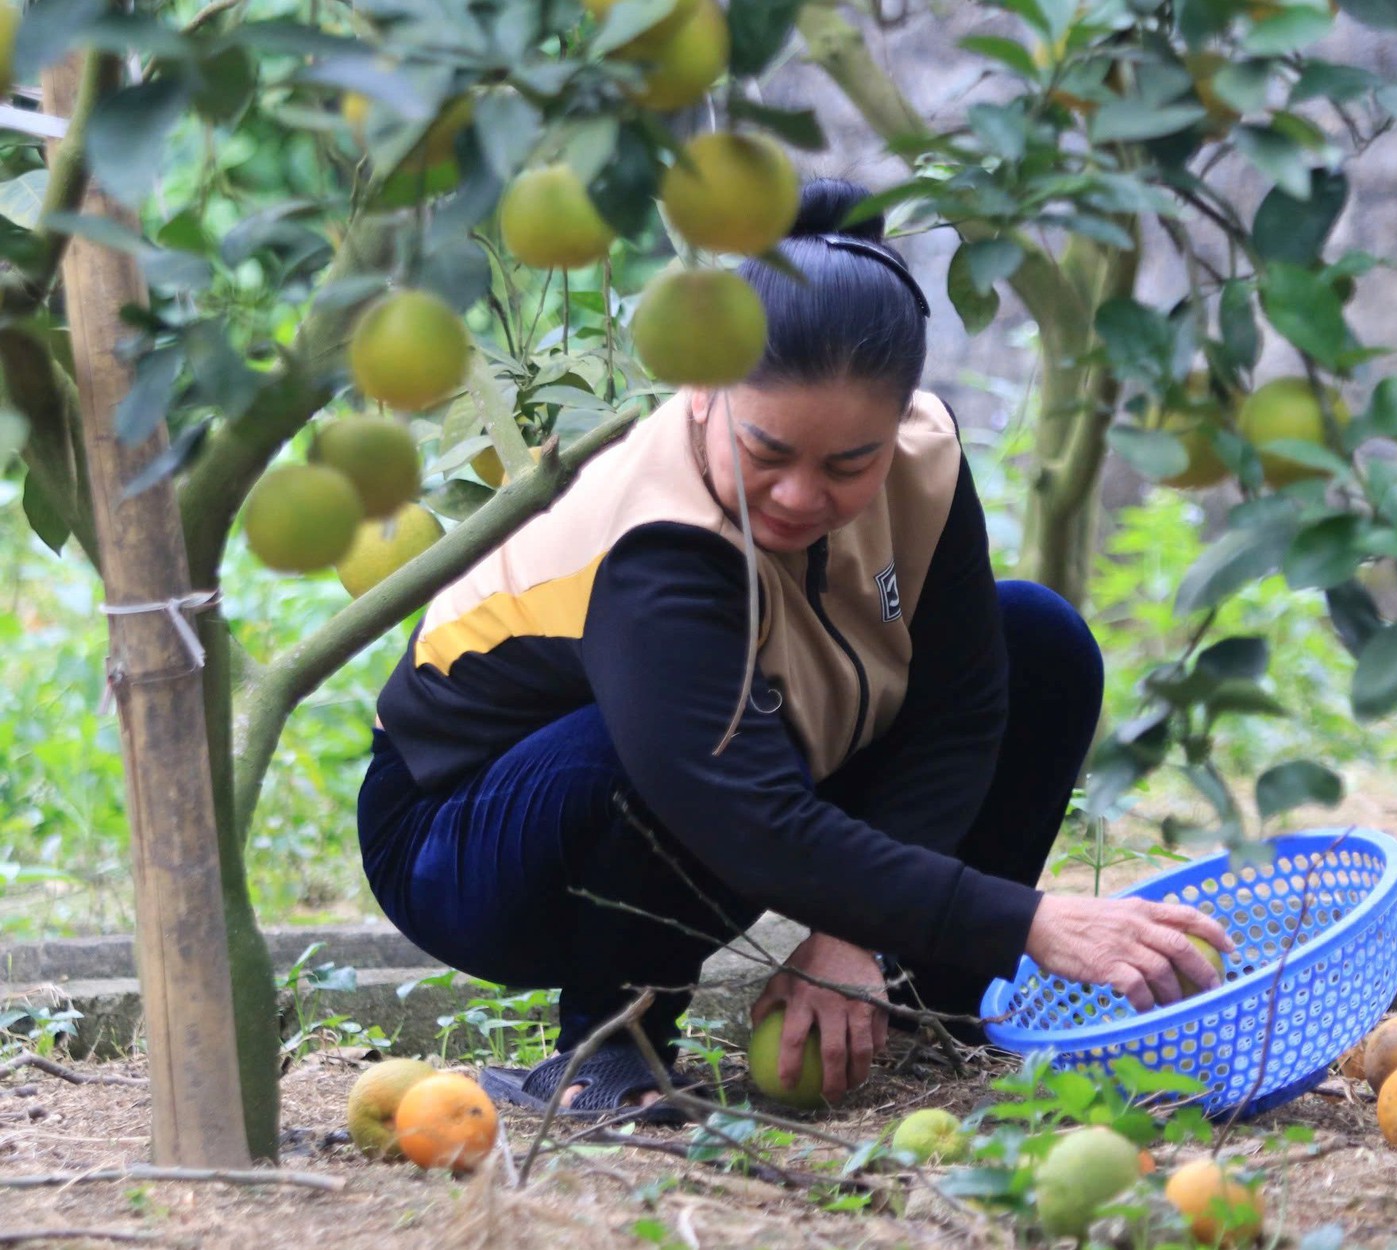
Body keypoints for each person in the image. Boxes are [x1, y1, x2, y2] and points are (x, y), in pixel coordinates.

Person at [355, 178, 1231, 1119]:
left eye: (848, 463)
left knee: (1037, 642)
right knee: (662, 742)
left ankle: (924, 1007)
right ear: (702, 394)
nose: (801, 496)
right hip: (471, 839)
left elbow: (962, 708)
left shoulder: (925, 459)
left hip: (753, 753)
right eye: (765, 453)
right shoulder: (658, 542)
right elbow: (743, 811)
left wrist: (858, 944)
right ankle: (607, 1049)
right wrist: (1034, 922)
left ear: (897, 425)